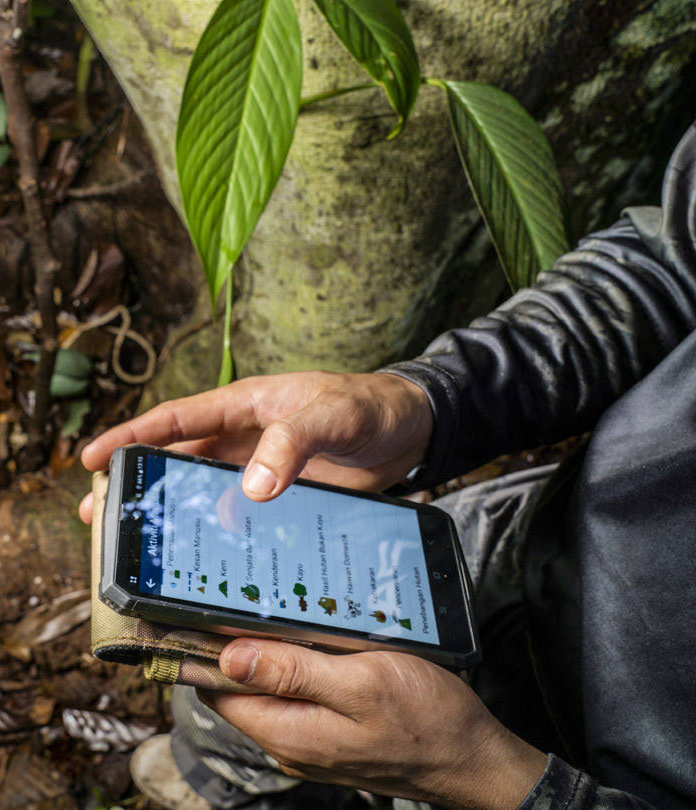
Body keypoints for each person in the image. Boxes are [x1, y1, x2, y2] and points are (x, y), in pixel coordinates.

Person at [77, 120, 696, 810]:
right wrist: (427, 401)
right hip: (518, 539)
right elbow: (670, 264)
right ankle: (222, 781)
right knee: (220, 703)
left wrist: (489, 781)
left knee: (247, 667)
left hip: (577, 778)